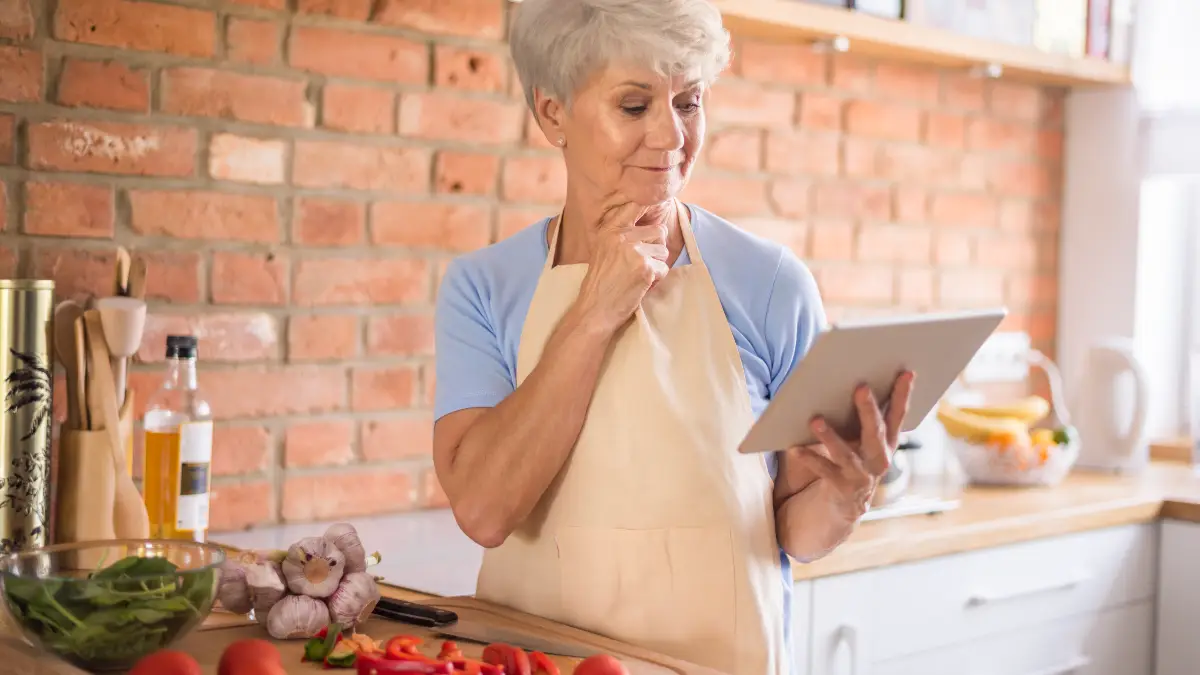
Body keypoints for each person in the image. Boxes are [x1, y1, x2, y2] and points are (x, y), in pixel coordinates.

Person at [432, 0, 915, 672]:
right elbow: (484, 509)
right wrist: (593, 313)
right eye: (634, 106)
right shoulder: (484, 287)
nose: (671, 137)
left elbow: (791, 528)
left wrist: (847, 492)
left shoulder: (770, 282)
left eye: (689, 102)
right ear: (552, 113)